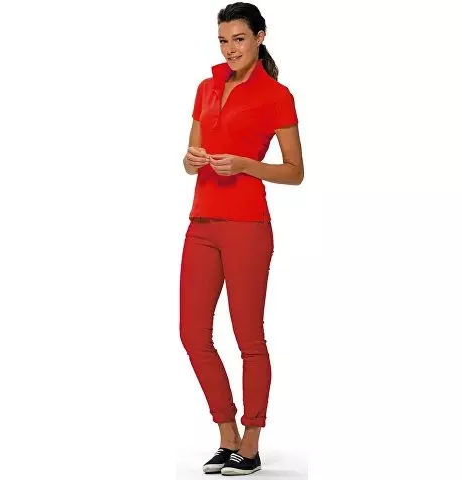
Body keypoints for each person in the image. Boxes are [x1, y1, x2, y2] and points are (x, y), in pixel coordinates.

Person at [179, 2, 303, 476]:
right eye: (223, 40)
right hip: (202, 223)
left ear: (260, 37)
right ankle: (226, 435)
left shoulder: (277, 96)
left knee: (248, 336)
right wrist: (191, 160)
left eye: (239, 39)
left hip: (248, 226)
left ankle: (250, 444)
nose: (230, 49)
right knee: (192, 334)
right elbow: (190, 155)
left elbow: (295, 171)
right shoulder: (206, 87)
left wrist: (248, 165)